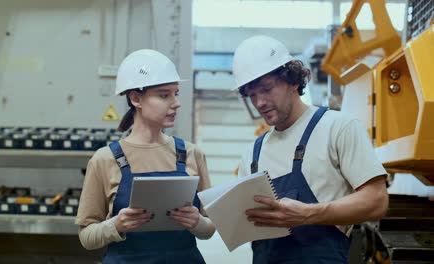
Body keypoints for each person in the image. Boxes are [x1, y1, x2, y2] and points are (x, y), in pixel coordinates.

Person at [233, 35, 389, 263]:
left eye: (266, 89)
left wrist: (308, 214)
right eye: (252, 95)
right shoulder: (252, 153)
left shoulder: (339, 127)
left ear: (293, 81)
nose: (259, 103)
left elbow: (376, 200)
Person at [75, 49, 215, 263]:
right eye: (164, 94)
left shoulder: (191, 154)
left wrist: (197, 222)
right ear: (135, 98)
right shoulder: (105, 159)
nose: (176, 102)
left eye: (176, 93)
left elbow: (209, 229)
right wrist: (116, 225)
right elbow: (87, 237)